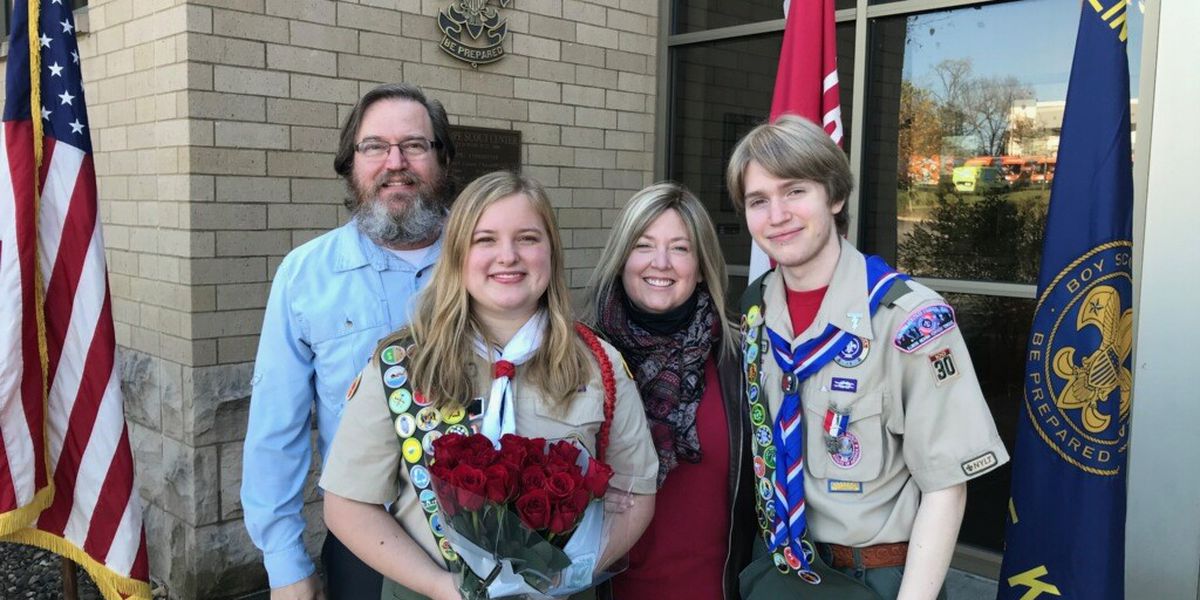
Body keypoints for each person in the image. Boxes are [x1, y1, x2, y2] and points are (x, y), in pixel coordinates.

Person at [318, 171, 659, 600]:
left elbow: (635, 492)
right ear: (458, 254)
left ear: (551, 251)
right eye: (486, 240)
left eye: (528, 238)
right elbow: (348, 504)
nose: (508, 256)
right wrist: (444, 588)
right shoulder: (403, 365)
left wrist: (565, 576)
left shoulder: (598, 365)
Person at [725, 115, 1009, 600]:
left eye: (795, 191)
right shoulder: (755, 309)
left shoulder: (908, 319)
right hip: (776, 570)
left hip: (873, 579)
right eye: (758, 200)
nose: (777, 215)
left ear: (834, 197)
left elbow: (945, 487)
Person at [241, 83, 455, 600]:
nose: (395, 162)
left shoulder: (488, 261)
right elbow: (277, 430)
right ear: (351, 162)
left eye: (415, 145)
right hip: (364, 543)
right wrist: (285, 563)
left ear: (441, 160)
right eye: (374, 146)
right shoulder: (305, 275)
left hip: (488, 536)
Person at [582, 183, 753, 600]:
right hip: (605, 590)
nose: (661, 263)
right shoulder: (578, 356)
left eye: (680, 248)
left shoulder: (742, 357)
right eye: (643, 245)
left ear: (700, 264)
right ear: (622, 256)